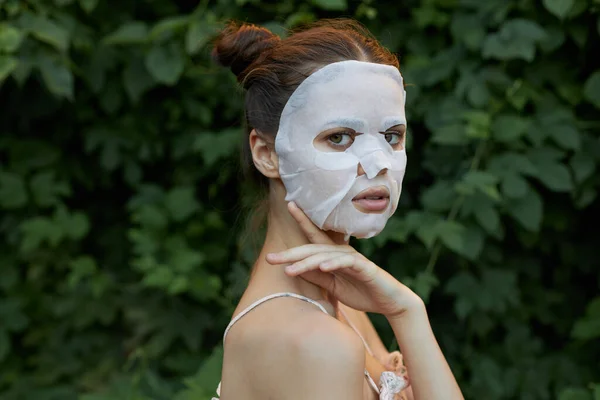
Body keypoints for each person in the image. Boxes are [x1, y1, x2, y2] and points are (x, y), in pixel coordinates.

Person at [210, 18, 463, 400]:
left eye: (392, 136)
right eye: (339, 137)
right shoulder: (314, 342)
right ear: (267, 154)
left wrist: (407, 310)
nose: (377, 162)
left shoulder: (341, 301)